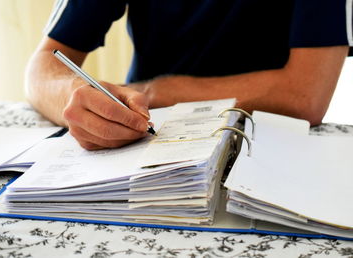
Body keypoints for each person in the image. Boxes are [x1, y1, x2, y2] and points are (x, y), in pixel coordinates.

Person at [25, 0, 352, 150]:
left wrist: (157, 92)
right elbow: (44, 65)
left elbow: (305, 96)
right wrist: (78, 99)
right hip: (141, 141)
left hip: (266, 144)